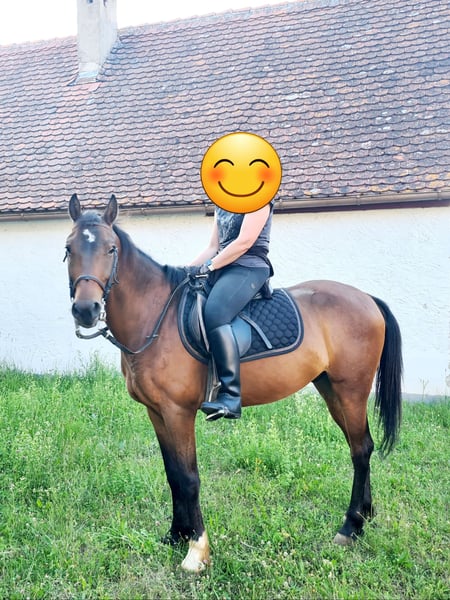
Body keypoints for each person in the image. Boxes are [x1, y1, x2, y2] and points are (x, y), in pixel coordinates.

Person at [189, 202, 274, 421]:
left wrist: (210, 266)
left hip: (249, 267)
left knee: (215, 313)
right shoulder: (222, 205)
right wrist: (185, 271)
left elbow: (244, 242)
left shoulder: (258, 200)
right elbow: (212, 247)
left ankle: (231, 396)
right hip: (222, 269)